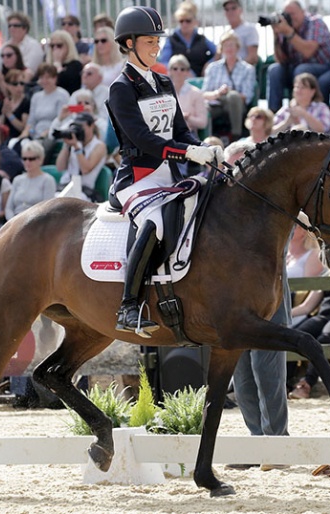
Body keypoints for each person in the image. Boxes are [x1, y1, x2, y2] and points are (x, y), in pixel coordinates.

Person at [107, 6, 222, 336]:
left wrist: (203, 149)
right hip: (138, 178)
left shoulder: (163, 81)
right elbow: (142, 140)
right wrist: (188, 151)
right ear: (128, 44)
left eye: (157, 41)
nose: (156, 47)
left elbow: (180, 130)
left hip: (171, 176)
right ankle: (129, 306)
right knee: (155, 222)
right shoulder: (121, 87)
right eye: (148, 41)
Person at [228, 140, 291, 453]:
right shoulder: (223, 207)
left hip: (269, 291)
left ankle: (276, 439)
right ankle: (256, 439)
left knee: (268, 369)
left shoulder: (273, 203)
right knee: (241, 374)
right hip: (232, 297)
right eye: (233, 166)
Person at [265, 0, 330, 112]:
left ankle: (297, 111)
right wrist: (276, 36)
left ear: (303, 12)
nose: (290, 18)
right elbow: (280, 60)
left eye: (292, 14)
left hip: (322, 67)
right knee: (274, 70)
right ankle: (273, 114)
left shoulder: (315, 22)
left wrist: (289, 33)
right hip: (296, 68)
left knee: (302, 69)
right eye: (287, 15)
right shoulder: (285, 27)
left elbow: (308, 52)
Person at [202, 30, 256, 140]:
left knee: (233, 96)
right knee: (202, 108)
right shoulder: (213, 68)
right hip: (216, 101)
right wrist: (218, 93)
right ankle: (206, 139)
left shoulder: (247, 69)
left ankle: (236, 136)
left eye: (232, 45)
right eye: (226, 46)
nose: (229, 48)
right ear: (221, 49)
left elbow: (247, 96)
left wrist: (230, 92)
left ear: (237, 47)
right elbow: (204, 93)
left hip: (236, 103)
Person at [18, 63, 70, 160]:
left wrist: (46, 133)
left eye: (48, 77)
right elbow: (31, 120)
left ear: (55, 78)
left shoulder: (62, 95)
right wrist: (26, 133)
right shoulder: (36, 97)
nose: (44, 81)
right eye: (42, 77)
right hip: (36, 134)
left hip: (52, 134)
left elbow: (61, 119)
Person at [54, 112, 107, 202]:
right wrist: (67, 146)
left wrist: (77, 148)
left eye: (81, 127)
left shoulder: (99, 146)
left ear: (92, 126)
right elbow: (60, 167)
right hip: (64, 186)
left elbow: (85, 169)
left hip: (83, 191)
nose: (78, 130)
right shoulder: (73, 143)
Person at [157, 2, 216, 78]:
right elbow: (164, 62)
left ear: (195, 21)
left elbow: (218, 52)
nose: (184, 24)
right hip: (179, 82)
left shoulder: (202, 39)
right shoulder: (171, 40)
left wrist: (209, 64)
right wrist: (180, 70)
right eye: (181, 21)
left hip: (201, 82)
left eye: (188, 21)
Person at [5, 140, 56, 221]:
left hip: (35, 223)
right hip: (15, 222)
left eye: (31, 159)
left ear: (40, 159)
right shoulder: (17, 180)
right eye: (24, 159)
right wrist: (13, 221)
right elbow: (9, 208)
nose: (27, 162)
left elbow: (47, 209)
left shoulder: (47, 180)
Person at [167, 55, 208, 134]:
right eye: (175, 68)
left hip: (188, 133)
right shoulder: (164, 92)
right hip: (167, 133)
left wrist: (187, 117)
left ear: (187, 72)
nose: (178, 71)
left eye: (182, 69)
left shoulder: (196, 93)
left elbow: (203, 123)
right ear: (170, 71)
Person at [46, 30, 83, 95]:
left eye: (59, 45)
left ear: (68, 46)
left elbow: (63, 82)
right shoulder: (47, 65)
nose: (55, 48)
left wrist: (58, 63)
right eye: (52, 46)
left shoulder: (75, 65)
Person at [222, 0, 258, 66]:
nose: (230, 12)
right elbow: (218, 56)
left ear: (241, 10)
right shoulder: (225, 33)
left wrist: (234, 68)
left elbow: (253, 57)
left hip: (241, 72)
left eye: (233, 8)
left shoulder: (250, 29)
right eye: (227, 9)